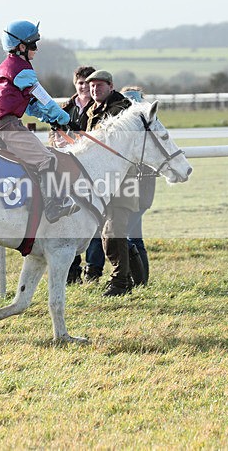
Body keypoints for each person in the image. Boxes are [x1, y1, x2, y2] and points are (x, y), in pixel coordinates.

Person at [0, 20, 79, 223]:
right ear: (21, 47)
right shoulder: (22, 69)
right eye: (33, 44)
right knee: (47, 159)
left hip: (3, 124)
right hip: (7, 126)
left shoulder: (9, 67)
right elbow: (45, 99)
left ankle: (32, 201)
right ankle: (54, 206)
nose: (36, 49)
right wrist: (65, 119)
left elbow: (31, 105)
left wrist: (51, 119)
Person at [48, 65, 104, 284]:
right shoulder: (65, 107)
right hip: (67, 169)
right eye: (80, 83)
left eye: (87, 84)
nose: (84, 88)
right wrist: (57, 140)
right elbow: (52, 134)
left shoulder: (99, 108)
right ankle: (72, 271)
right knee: (69, 220)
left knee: (93, 221)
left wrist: (78, 142)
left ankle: (93, 271)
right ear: (75, 84)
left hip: (91, 171)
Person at [84, 69, 138, 297]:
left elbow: (104, 135)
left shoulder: (121, 108)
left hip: (120, 181)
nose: (95, 89)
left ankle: (120, 282)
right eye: (92, 86)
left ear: (111, 86)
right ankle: (132, 277)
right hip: (100, 183)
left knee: (114, 231)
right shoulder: (91, 110)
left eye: (99, 85)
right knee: (107, 234)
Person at [121, 86, 157, 285]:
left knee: (125, 235)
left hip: (141, 189)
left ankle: (135, 280)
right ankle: (141, 281)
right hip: (130, 190)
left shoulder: (149, 128)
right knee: (135, 237)